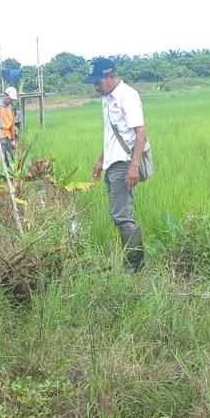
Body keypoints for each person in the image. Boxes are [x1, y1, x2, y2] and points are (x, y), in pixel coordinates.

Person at [87, 57, 147, 271]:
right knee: (118, 214)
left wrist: (134, 166)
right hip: (112, 164)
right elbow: (112, 134)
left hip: (124, 163)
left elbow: (140, 132)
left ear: (110, 76)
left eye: (98, 82)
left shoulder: (127, 96)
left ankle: (134, 267)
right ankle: (131, 263)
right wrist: (100, 160)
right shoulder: (107, 98)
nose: (96, 86)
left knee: (122, 216)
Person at [0, 86, 18, 169]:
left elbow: (12, 125)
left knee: (9, 160)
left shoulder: (11, 109)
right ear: (5, 95)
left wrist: (13, 139)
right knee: (0, 160)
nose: (11, 101)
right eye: (10, 99)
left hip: (8, 137)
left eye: (12, 100)